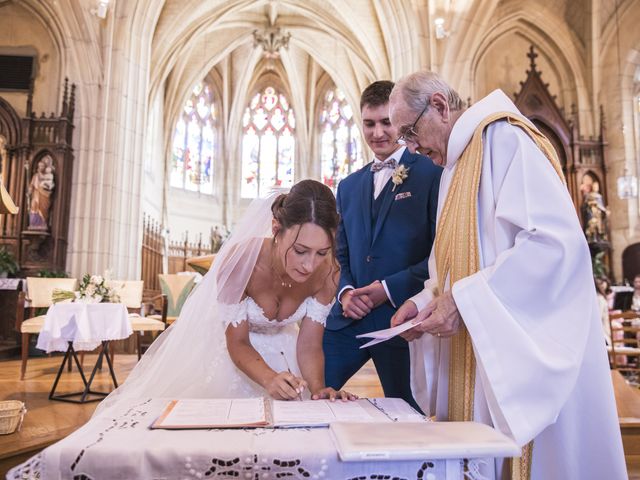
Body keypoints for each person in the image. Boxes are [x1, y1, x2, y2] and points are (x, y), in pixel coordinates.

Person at [388, 71, 626, 479]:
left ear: (441, 107)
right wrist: (422, 303)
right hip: (475, 361)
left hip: (517, 368)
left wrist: (462, 301)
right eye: (404, 140)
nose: (411, 148)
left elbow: (554, 247)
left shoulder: (506, 140)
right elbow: (450, 271)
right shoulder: (452, 170)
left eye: (410, 133)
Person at [97, 179, 355, 416]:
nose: (310, 265)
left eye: (322, 252)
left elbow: (309, 344)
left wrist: (319, 389)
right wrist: (269, 378)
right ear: (276, 229)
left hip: (286, 354)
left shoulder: (328, 272)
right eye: (300, 251)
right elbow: (238, 341)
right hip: (230, 355)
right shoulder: (241, 262)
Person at [323, 80, 441, 411]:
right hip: (349, 319)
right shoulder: (348, 186)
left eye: (386, 122)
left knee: (409, 414)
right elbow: (340, 254)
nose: (377, 133)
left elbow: (438, 251)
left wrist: (386, 289)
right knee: (312, 394)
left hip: (401, 321)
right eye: (369, 123)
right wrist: (346, 292)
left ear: (399, 121)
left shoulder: (430, 171)